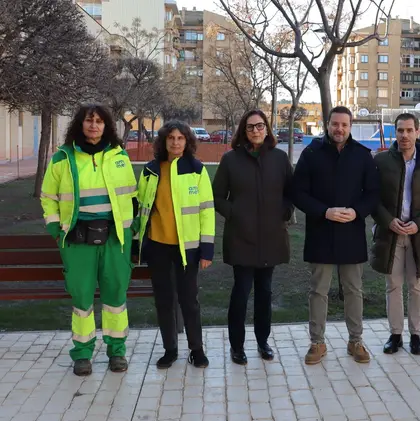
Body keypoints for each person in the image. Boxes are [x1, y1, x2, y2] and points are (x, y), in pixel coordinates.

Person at [40, 104, 138, 376]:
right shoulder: (63, 158)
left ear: (107, 126)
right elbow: (48, 197)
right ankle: (82, 355)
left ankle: (116, 352)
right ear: (79, 125)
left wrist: (132, 230)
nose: (93, 126)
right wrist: (55, 229)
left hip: (114, 239)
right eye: (88, 121)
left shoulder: (119, 156)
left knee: (115, 296)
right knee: (82, 299)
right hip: (77, 239)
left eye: (99, 122)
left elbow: (132, 196)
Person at [293, 106, 379, 365]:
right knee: (318, 290)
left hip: (351, 232)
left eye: (344, 124)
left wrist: (357, 212)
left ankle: (356, 341)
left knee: (354, 289)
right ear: (327, 125)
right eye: (335, 124)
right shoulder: (311, 154)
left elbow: (373, 193)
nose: (339, 129)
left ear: (350, 126)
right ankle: (317, 342)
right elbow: (298, 193)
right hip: (321, 230)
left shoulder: (363, 156)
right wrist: (324, 211)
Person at [212, 109, 293, 365]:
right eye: (250, 127)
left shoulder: (280, 159)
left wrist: (284, 212)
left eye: (260, 126)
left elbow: (291, 192)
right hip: (241, 237)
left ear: (267, 129)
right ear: (243, 131)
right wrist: (234, 213)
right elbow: (216, 197)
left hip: (271, 237)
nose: (255, 131)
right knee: (241, 291)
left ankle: (262, 341)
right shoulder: (230, 160)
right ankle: (237, 345)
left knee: (265, 292)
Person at [135, 120, 214, 369]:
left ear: (187, 142)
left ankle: (196, 350)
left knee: (189, 300)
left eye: (180, 138)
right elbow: (140, 208)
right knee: (163, 300)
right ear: (163, 142)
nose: (176, 142)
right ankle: (170, 350)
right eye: (171, 138)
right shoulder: (151, 170)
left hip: (187, 249)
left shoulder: (196, 169)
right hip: (158, 246)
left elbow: (207, 212)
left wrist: (207, 249)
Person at [371, 113, 420, 356]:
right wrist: (388, 221)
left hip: (418, 234)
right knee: (393, 285)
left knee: (417, 285)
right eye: (400, 130)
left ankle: (415, 335)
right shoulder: (381, 161)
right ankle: (395, 335)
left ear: (417, 132)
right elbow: (373, 199)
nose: (405, 135)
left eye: (409, 130)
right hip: (391, 233)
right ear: (395, 132)